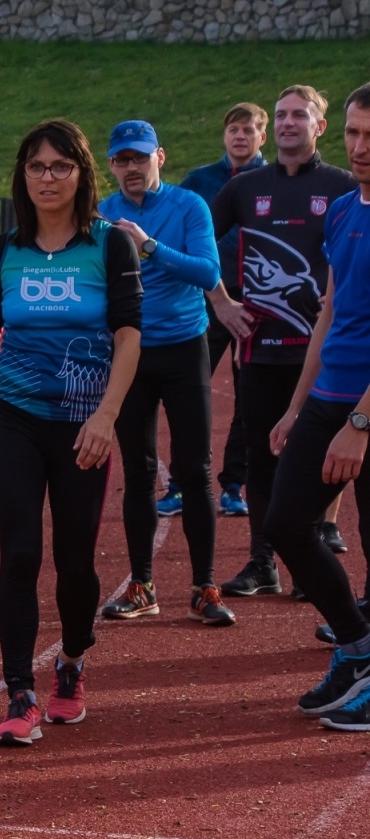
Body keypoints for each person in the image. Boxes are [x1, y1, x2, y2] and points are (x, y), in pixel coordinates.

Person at [0, 119, 143, 747]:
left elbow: (130, 335)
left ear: (82, 173)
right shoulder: (3, 252)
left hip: (84, 425)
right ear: (21, 176)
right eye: (36, 166)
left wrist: (106, 415)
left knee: (75, 564)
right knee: (21, 553)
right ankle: (19, 693)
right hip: (16, 420)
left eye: (60, 166)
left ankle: (73, 662)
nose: (47, 177)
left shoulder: (110, 246)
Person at [212, 85, 356, 599]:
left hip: (323, 358)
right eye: (282, 115)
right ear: (273, 127)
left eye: (302, 115)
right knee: (260, 454)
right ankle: (261, 563)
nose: (290, 122)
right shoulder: (246, 188)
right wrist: (221, 302)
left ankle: (308, 565)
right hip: (259, 349)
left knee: (317, 460)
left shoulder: (342, 189)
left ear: (319, 127)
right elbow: (199, 242)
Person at [263, 83, 370, 731]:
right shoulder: (342, 211)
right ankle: (358, 650)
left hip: (365, 410)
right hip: (329, 397)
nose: (360, 149)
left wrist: (361, 421)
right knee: (284, 524)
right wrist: (298, 406)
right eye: (355, 135)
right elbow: (329, 312)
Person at [95, 120, 232, 626]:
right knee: (138, 472)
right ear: (111, 166)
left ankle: (205, 587)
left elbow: (208, 273)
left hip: (183, 347)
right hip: (129, 353)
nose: (132, 167)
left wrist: (148, 244)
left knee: (195, 469)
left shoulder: (188, 206)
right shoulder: (102, 214)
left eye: (139, 157)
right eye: (121, 160)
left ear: (160, 157)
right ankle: (142, 585)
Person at [175, 101, 268, 520]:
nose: (240, 136)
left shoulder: (272, 180)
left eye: (249, 129)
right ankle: (180, 483)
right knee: (190, 394)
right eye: (233, 128)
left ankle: (234, 485)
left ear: (261, 136)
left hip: (262, 303)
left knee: (251, 398)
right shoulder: (200, 180)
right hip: (208, 298)